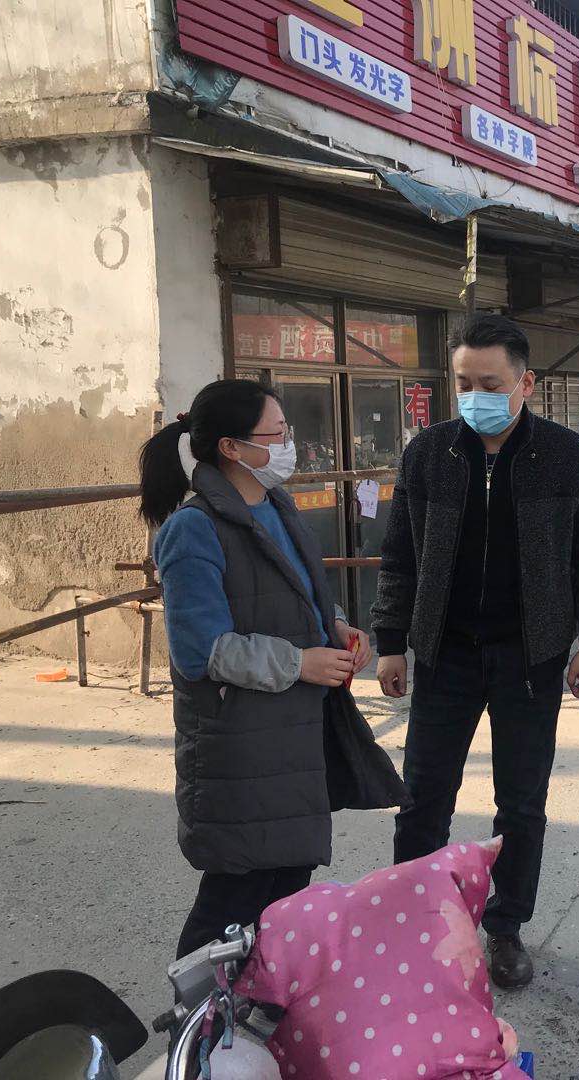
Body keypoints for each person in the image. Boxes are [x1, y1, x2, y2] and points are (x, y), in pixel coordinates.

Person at [371, 314, 579, 990]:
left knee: (521, 804)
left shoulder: (567, 456)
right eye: (464, 383)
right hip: (445, 653)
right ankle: (413, 924)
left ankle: (505, 928)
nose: (475, 395)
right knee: (423, 798)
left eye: (490, 383)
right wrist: (390, 643)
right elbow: (399, 556)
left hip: (531, 658)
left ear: (525, 383)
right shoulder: (429, 454)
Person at [141, 380, 405, 959]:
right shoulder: (194, 528)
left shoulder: (277, 506)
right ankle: (198, 1009)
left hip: (294, 734)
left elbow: (301, 595)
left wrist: (338, 627)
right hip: (242, 743)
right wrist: (300, 663)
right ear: (232, 448)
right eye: (278, 434)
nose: (290, 445)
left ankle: (256, 1000)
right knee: (235, 896)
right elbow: (201, 651)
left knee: (286, 888)